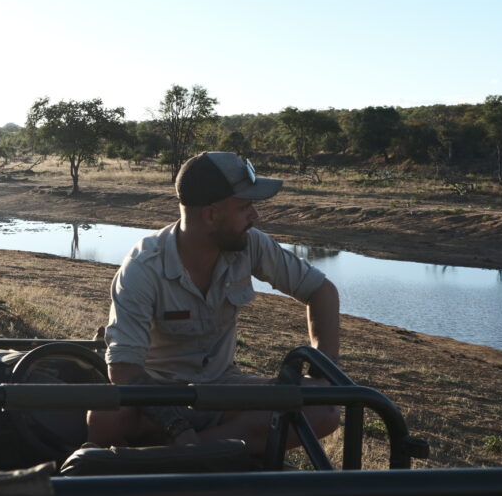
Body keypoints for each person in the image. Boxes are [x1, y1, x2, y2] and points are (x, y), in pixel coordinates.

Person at [86, 151, 340, 456]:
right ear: (210, 215)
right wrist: (175, 423)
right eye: (244, 207)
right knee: (104, 417)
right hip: (158, 396)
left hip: (225, 389)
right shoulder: (143, 267)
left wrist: (323, 374)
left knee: (324, 410)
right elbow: (124, 370)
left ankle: (178, 455)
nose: (255, 215)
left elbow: (321, 291)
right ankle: (209, 451)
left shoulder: (250, 243)